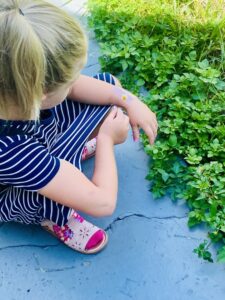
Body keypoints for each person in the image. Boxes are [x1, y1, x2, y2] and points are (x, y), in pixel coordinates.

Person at [0, 0, 158, 254]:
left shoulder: (11, 81)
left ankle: (66, 163)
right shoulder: (12, 152)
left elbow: (78, 88)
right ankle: (54, 216)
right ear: (41, 92)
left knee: (108, 89)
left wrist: (129, 99)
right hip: (11, 189)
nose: (76, 82)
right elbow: (103, 203)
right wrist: (106, 139)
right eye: (69, 80)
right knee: (44, 193)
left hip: (31, 134)